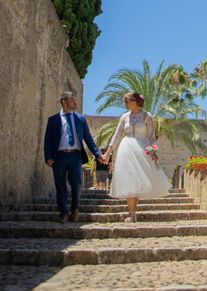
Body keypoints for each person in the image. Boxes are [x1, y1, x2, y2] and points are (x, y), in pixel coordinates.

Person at [104, 91, 170, 222]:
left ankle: (133, 213)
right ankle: (132, 214)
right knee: (129, 179)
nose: (125, 104)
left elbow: (151, 137)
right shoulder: (124, 117)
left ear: (134, 102)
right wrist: (108, 152)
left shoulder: (147, 116)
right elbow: (117, 135)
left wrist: (153, 152)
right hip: (126, 150)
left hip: (142, 150)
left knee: (137, 180)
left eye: (127, 101)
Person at [44, 91, 104, 223]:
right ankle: (63, 214)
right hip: (59, 157)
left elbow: (88, 139)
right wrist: (48, 156)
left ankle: (75, 209)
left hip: (76, 156)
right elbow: (48, 140)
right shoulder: (53, 120)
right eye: (72, 100)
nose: (75, 102)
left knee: (77, 184)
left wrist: (98, 154)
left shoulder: (80, 119)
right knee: (60, 186)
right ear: (64, 102)